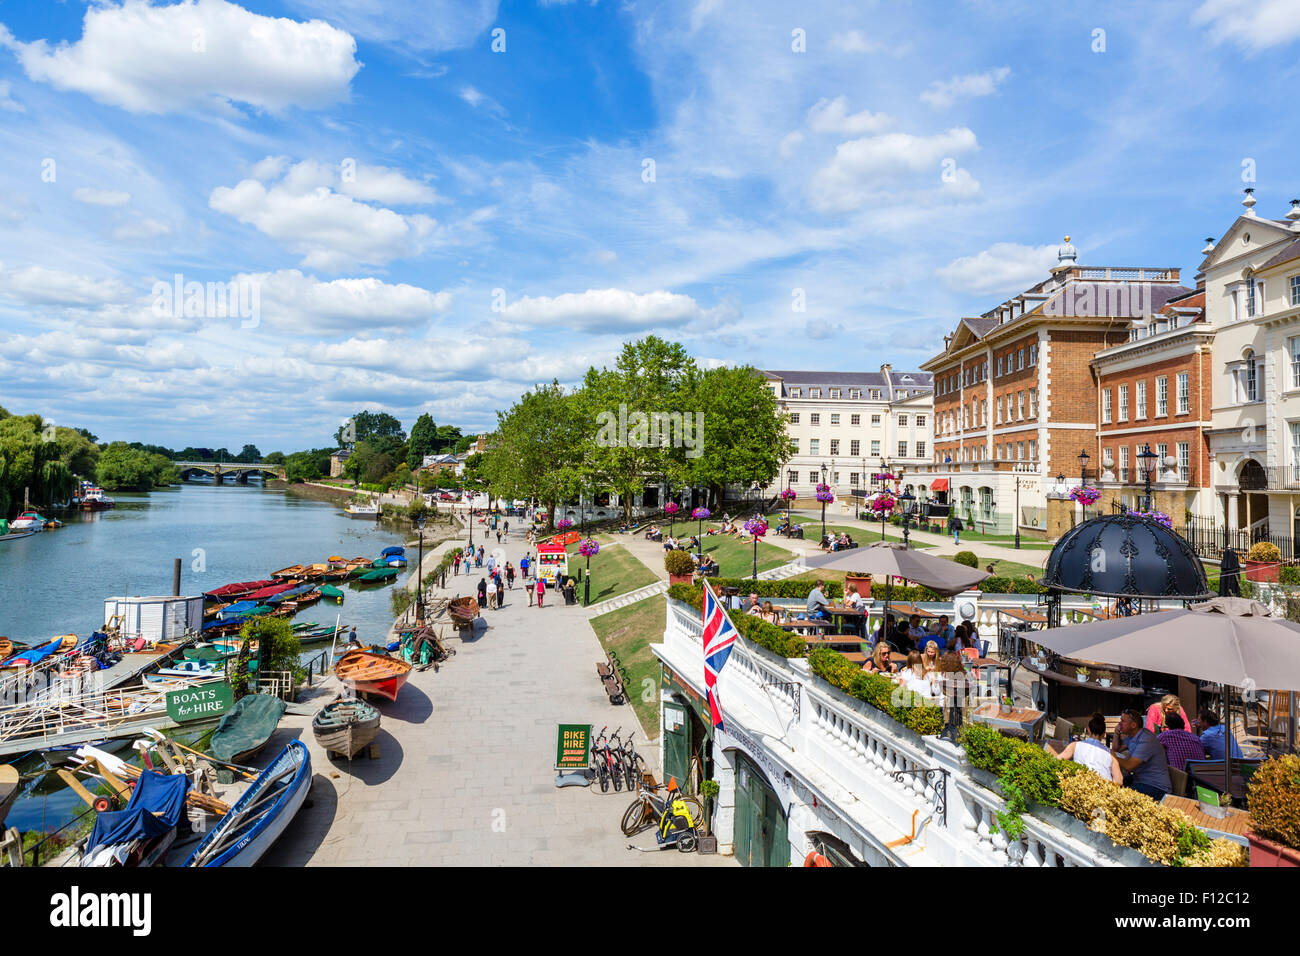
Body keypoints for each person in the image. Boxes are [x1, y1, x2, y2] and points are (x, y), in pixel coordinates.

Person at [1112, 708, 1173, 799]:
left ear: (1133, 725)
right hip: (1141, 779)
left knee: (1120, 797)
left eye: (1123, 721)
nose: (1119, 724)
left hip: (1156, 787)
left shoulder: (1146, 739)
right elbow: (1117, 749)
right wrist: (1116, 733)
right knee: (1112, 784)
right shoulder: (1132, 736)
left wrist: (1112, 756)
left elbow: (1129, 766)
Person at [1053, 712, 1123, 783]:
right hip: (1103, 789)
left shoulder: (1075, 745)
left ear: (1088, 730)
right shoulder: (1110, 753)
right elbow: (1119, 781)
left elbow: (1056, 761)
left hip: (1081, 786)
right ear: (1104, 734)